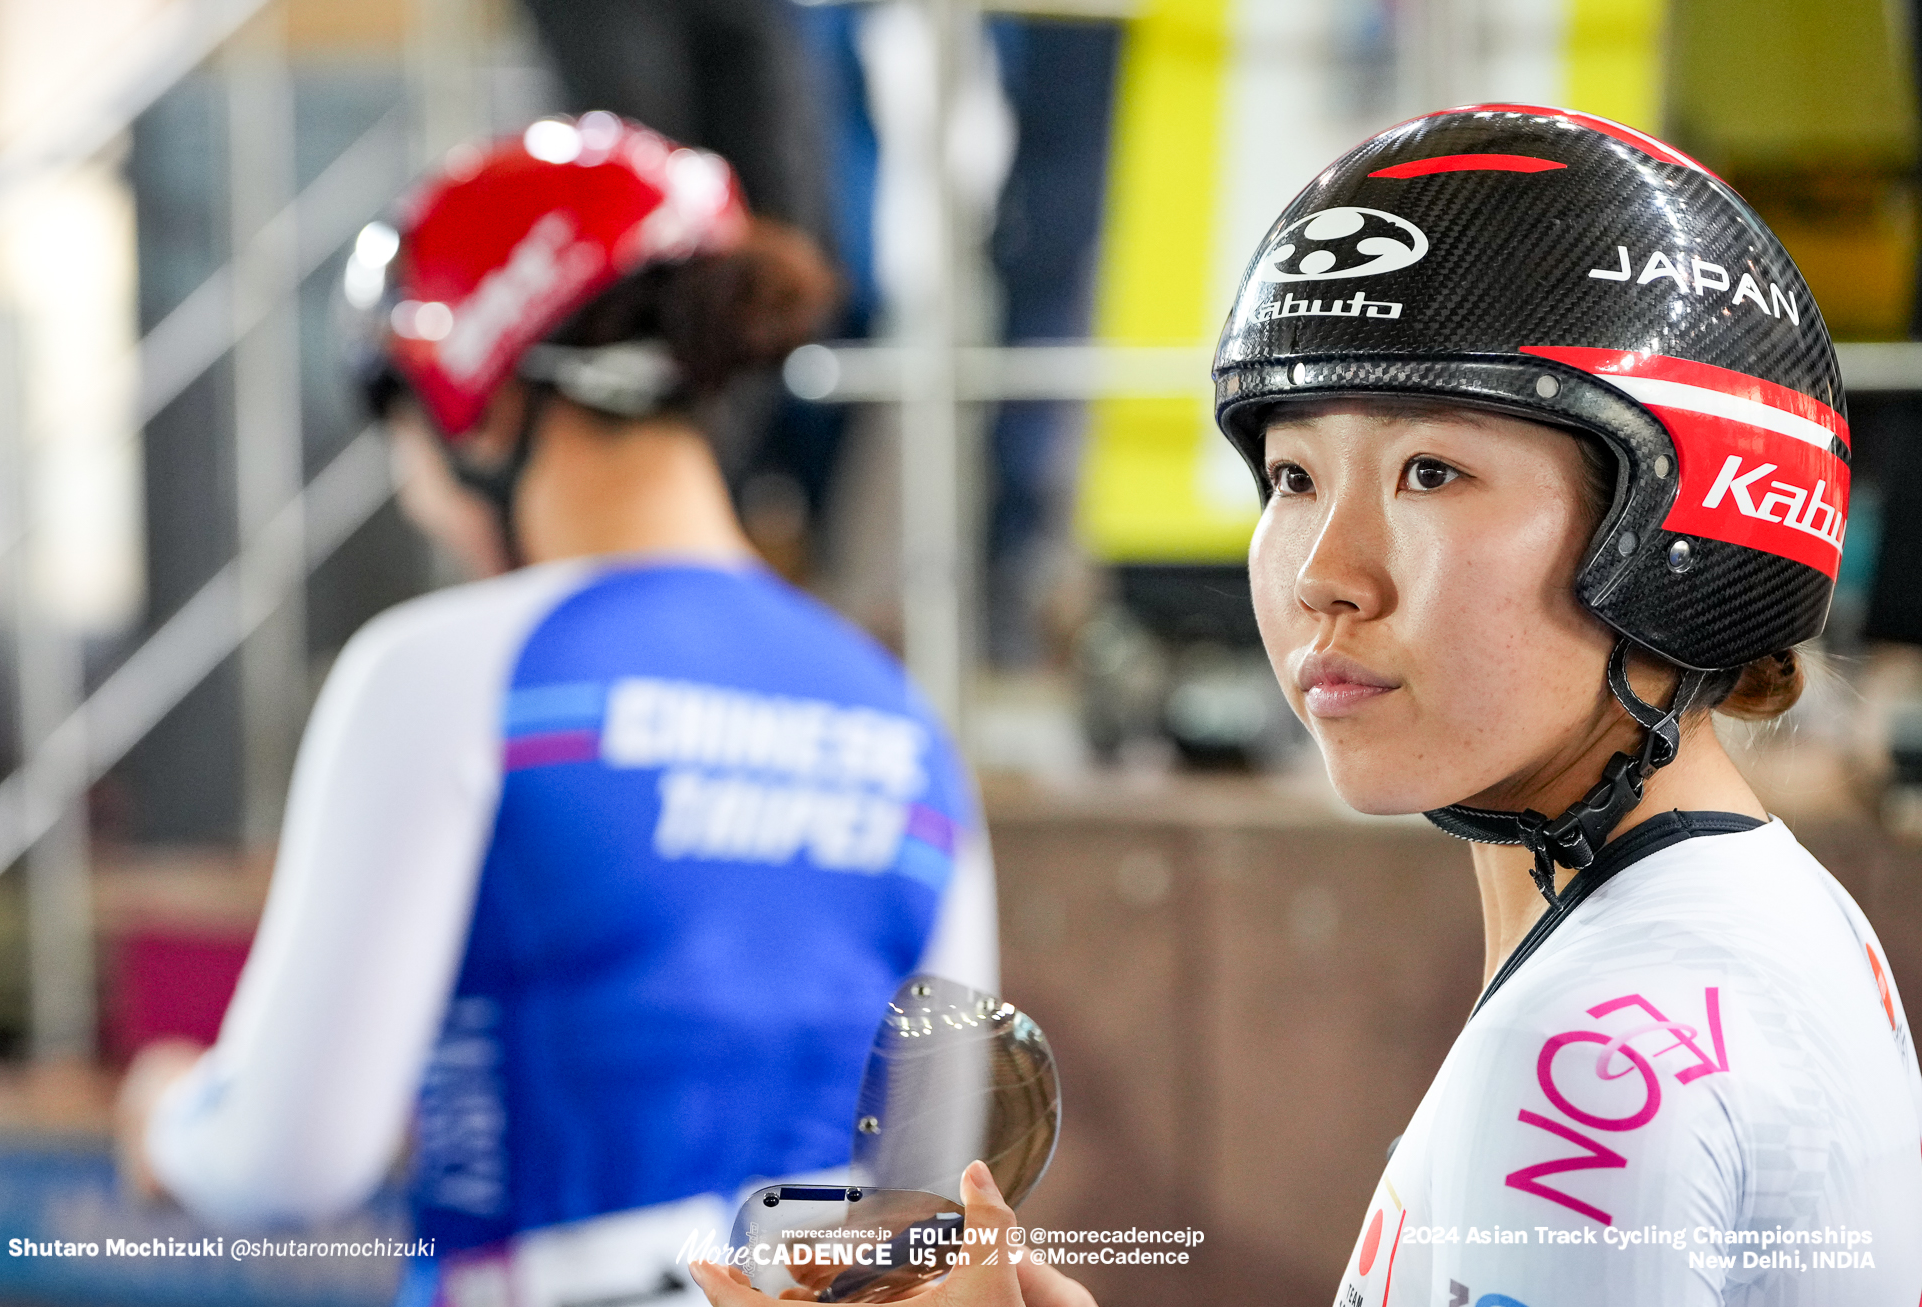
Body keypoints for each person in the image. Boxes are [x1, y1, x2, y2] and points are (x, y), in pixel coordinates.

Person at [694, 105, 1922, 1307]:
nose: (1325, 571)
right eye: (1291, 474)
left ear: (1676, 529)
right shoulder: (1769, 918)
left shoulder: (1588, 1051)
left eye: (1431, 471)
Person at [115, 114, 998, 1307]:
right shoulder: (902, 719)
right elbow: (937, 1203)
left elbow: (292, 1156)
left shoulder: (444, 672)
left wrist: (170, 1115)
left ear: (471, 405)